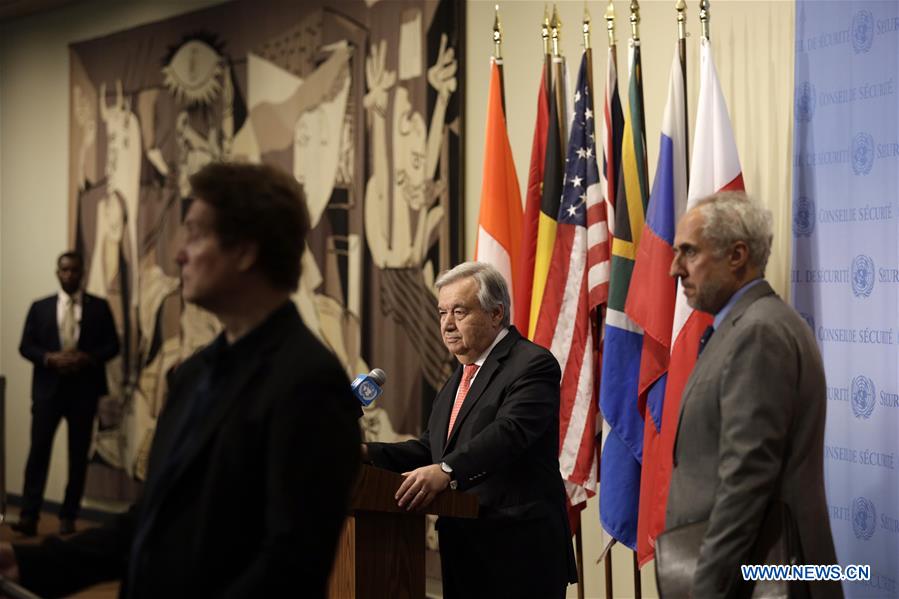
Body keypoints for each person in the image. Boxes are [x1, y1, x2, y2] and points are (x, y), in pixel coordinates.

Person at [0, 162, 362, 598]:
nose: (178, 253)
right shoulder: (192, 374)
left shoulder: (309, 384)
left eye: (194, 233)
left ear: (246, 251)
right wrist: (28, 561)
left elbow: (288, 567)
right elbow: (150, 521)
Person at [364, 261, 577, 599]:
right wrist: (367, 454)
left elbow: (510, 432)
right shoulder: (457, 380)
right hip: (466, 549)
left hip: (518, 553)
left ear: (496, 314)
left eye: (459, 312)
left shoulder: (532, 363)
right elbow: (432, 448)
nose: (447, 324)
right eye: (442, 313)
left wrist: (447, 471)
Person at [664, 191, 841, 599]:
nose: (675, 269)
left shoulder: (759, 333)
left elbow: (747, 478)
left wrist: (706, 587)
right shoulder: (744, 326)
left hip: (761, 581)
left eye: (689, 253)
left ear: (737, 255)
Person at [13, 251, 119, 537]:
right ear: (57, 272)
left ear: (82, 273)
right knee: (38, 453)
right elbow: (25, 346)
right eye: (64, 270)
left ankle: (68, 516)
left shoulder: (99, 307)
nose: (69, 275)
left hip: (83, 392)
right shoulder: (40, 308)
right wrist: (49, 358)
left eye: (74, 270)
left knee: (77, 456)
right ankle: (29, 515)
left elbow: (113, 346)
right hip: (48, 391)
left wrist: (86, 358)